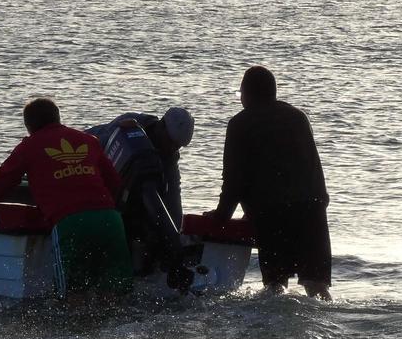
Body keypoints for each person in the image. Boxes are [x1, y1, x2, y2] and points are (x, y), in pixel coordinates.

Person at [0, 97, 131, 296]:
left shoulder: (29, 146)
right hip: (110, 221)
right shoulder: (88, 140)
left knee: (71, 296)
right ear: (58, 118)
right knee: (117, 294)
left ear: (28, 126)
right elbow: (115, 183)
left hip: (71, 223)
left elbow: (5, 178)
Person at [208, 66, 332, 298]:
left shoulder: (240, 124)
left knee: (275, 288)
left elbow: (234, 180)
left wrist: (221, 215)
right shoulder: (298, 117)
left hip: (273, 215)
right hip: (312, 210)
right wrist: (320, 205)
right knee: (317, 286)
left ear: (247, 93)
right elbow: (314, 168)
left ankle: (275, 334)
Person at [88, 107, 195, 225]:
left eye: (177, 146)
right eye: (170, 142)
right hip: (84, 158)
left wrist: (174, 233)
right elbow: (97, 148)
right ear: (162, 125)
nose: (172, 149)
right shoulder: (128, 125)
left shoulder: (170, 155)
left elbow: (174, 198)